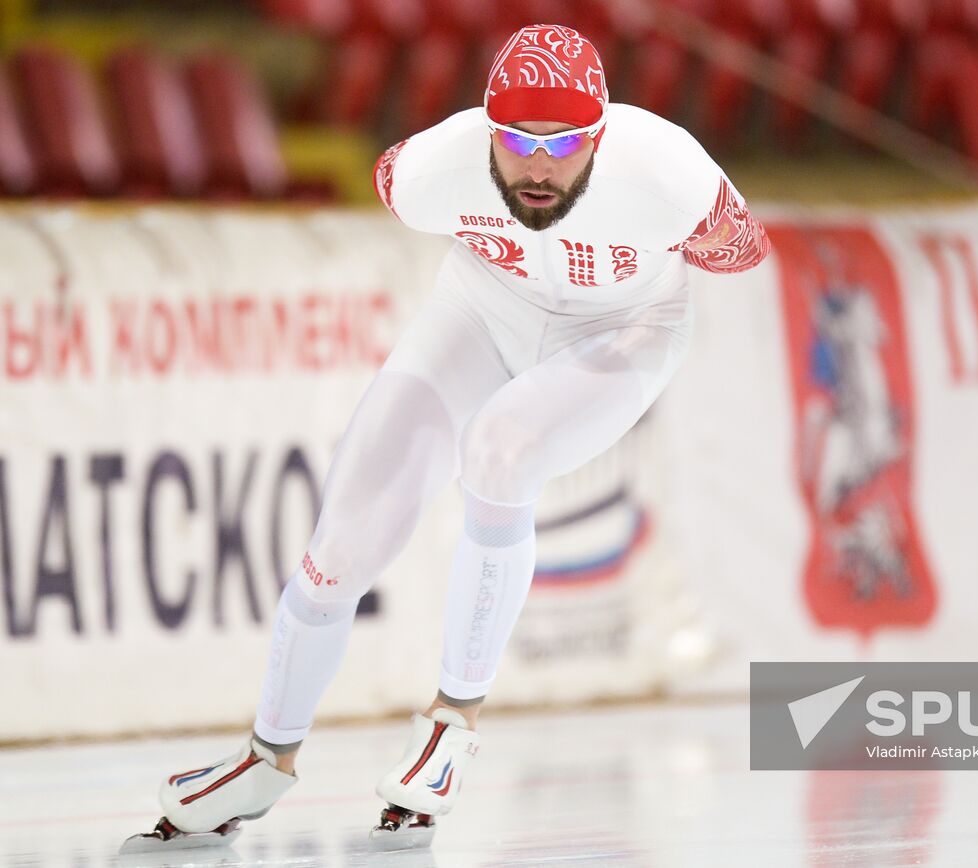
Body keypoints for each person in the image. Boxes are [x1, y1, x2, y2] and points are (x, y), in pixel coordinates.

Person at [124, 22, 770, 851]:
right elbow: (389, 178)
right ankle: (265, 756)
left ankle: (452, 720)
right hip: (481, 310)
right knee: (339, 545)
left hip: (624, 327)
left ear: (602, 135)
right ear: (485, 126)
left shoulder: (670, 174)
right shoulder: (431, 171)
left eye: (566, 143)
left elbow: (740, 253)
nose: (539, 166)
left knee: (500, 448)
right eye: (516, 139)